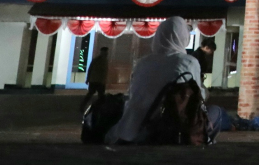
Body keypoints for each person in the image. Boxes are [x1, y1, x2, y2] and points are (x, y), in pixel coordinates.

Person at [107, 16, 223, 144]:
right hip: (172, 131)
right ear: (183, 37)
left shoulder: (142, 63)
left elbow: (131, 94)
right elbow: (199, 97)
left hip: (133, 129)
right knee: (216, 112)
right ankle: (202, 141)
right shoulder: (188, 62)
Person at [81, 46, 110, 112]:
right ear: (102, 52)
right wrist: (88, 79)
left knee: (99, 96)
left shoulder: (105, 60)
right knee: (93, 94)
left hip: (99, 81)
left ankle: (97, 108)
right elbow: (90, 69)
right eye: (105, 52)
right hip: (95, 81)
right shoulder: (97, 60)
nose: (106, 54)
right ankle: (84, 106)